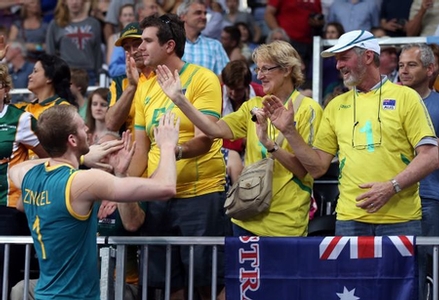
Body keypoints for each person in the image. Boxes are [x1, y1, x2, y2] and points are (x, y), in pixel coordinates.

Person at [262, 30, 437, 238]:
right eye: (337, 60)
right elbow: (317, 168)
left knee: (402, 272)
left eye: (344, 58)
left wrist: (392, 187)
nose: (338, 65)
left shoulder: (406, 97)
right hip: (349, 220)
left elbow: (431, 155)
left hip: (401, 220)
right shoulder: (335, 105)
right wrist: (290, 132)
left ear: (368, 56)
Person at [9, 105, 179, 300]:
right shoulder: (82, 181)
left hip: (45, 294)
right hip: (75, 297)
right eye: (82, 127)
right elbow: (166, 187)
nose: (88, 130)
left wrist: (81, 157)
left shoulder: (29, 176)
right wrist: (166, 146)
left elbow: (17, 168)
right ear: (72, 140)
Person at [156, 39, 323, 237]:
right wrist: (180, 100)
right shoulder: (252, 106)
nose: (259, 75)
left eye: (266, 69)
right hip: (245, 218)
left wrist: (269, 145)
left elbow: (304, 171)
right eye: (258, 69)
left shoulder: (309, 109)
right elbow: (212, 129)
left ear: (287, 70)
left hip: (284, 224)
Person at [124, 13, 227, 300]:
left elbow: (205, 140)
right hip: (159, 197)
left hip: (201, 195)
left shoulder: (203, 79)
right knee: (170, 287)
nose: (138, 48)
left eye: (146, 41)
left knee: (205, 286)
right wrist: (121, 189)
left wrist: (174, 150)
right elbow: (142, 150)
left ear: (169, 46)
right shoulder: (145, 86)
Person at [0, 44, 48, 298]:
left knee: (5, 277)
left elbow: (50, 157)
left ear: (6, 89)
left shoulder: (21, 119)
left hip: (8, 209)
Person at [398, 43, 439, 300]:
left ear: (430, 68)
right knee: (399, 266)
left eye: (411, 65)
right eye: (401, 65)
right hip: (393, 197)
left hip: (429, 196)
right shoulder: (387, 101)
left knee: (425, 264)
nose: (404, 70)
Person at [106, 22, 154, 134]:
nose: (133, 51)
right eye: (127, 48)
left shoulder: (163, 74)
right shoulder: (120, 81)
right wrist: (131, 87)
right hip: (131, 147)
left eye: (137, 44)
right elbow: (111, 124)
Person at [46, 0, 103, 86]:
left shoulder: (94, 24)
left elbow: (98, 53)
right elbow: (50, 53)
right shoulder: (55, 24)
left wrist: (98, 77)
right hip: (65, 73)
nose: (74, 2)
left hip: (89, 74)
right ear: (64, 2)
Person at [177, 0, 229, 76]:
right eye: (198, 13)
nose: (204, 17)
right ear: (183, 17)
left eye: (205, 13)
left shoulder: (215, 46)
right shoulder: (172, 44)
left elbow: (225, 77)